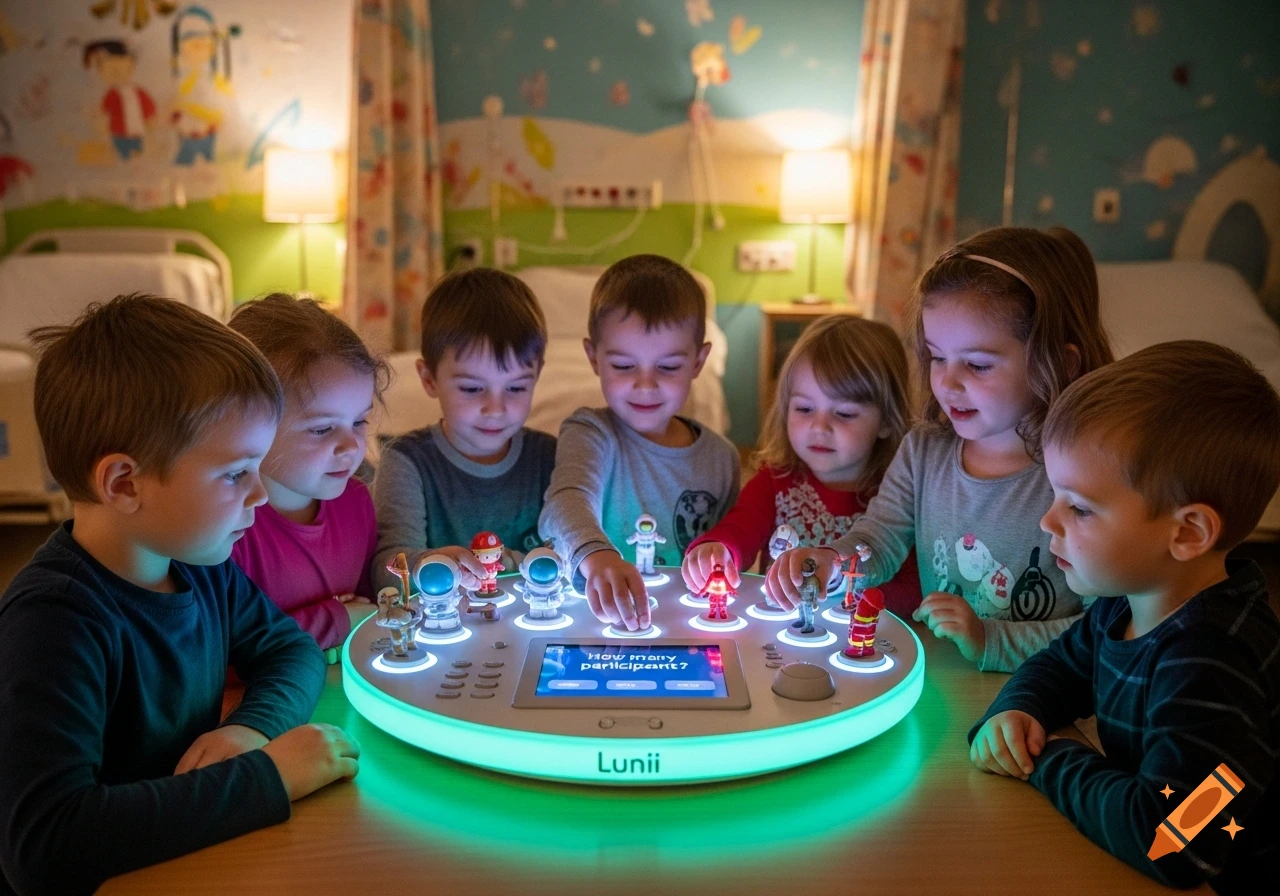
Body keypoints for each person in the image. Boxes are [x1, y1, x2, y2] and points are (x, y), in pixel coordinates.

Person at [0, 294, 359, 895]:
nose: (260, 495)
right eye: (235, 473)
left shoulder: (198, 566)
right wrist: (267, 777)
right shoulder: (54, 621)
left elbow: (290, 649)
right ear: (124, 483)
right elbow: (45, 845)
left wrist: (253, 729)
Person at [968, 341, 1280, 893]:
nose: (1047, 521)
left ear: (1187, 533)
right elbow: (1060, 667)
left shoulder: (1214, 667)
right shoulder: (1128, 600)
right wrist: (1019, 709)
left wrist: (1045, 759)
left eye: (1080, 507)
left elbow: (1175, 842)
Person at [767, 227, 1113, 671]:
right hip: (939, 675)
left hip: (1041, 690)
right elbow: (878, 539)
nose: (947, 383)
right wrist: (832, 561)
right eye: (936, 357)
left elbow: (1103, 626)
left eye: (977, 365)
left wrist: (990, 639)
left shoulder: (1085, 476)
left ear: (1058, 363)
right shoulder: (923, 451)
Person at [539, 254, 739, 630]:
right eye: (624, 366)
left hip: (689, 627)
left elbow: (728, 551)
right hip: (600, 624)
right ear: (593, 358)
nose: (645, 385)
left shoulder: (722, 458)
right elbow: (564, 503)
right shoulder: (589, 431)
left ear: (699, 361)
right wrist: (598, 556)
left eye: (668, 367)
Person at [682, 315, 920, 616]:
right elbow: (739, 529)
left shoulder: (897, 500)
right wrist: (718, 550)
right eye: (804, 408)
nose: (819, 427)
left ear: (886, 420)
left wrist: (848, 596)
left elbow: (913, 591)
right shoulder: (773, 481)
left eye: (844, 414)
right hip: (778, 637)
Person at [372, 268, 556, 593]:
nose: (495, 408)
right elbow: (385, 570)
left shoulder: (551, 457)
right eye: (472, 389)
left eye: (516, 388)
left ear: (537, 376)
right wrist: (434, 564)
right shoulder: (406, 461)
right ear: (429, 379)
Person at [229, 293, 389, 659]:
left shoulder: (356, 501)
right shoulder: (227, 526)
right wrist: (335, 620)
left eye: (359, 421)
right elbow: (227, 652)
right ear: (246, 423)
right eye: (321, 429)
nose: (351, 446)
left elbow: (368, 612)